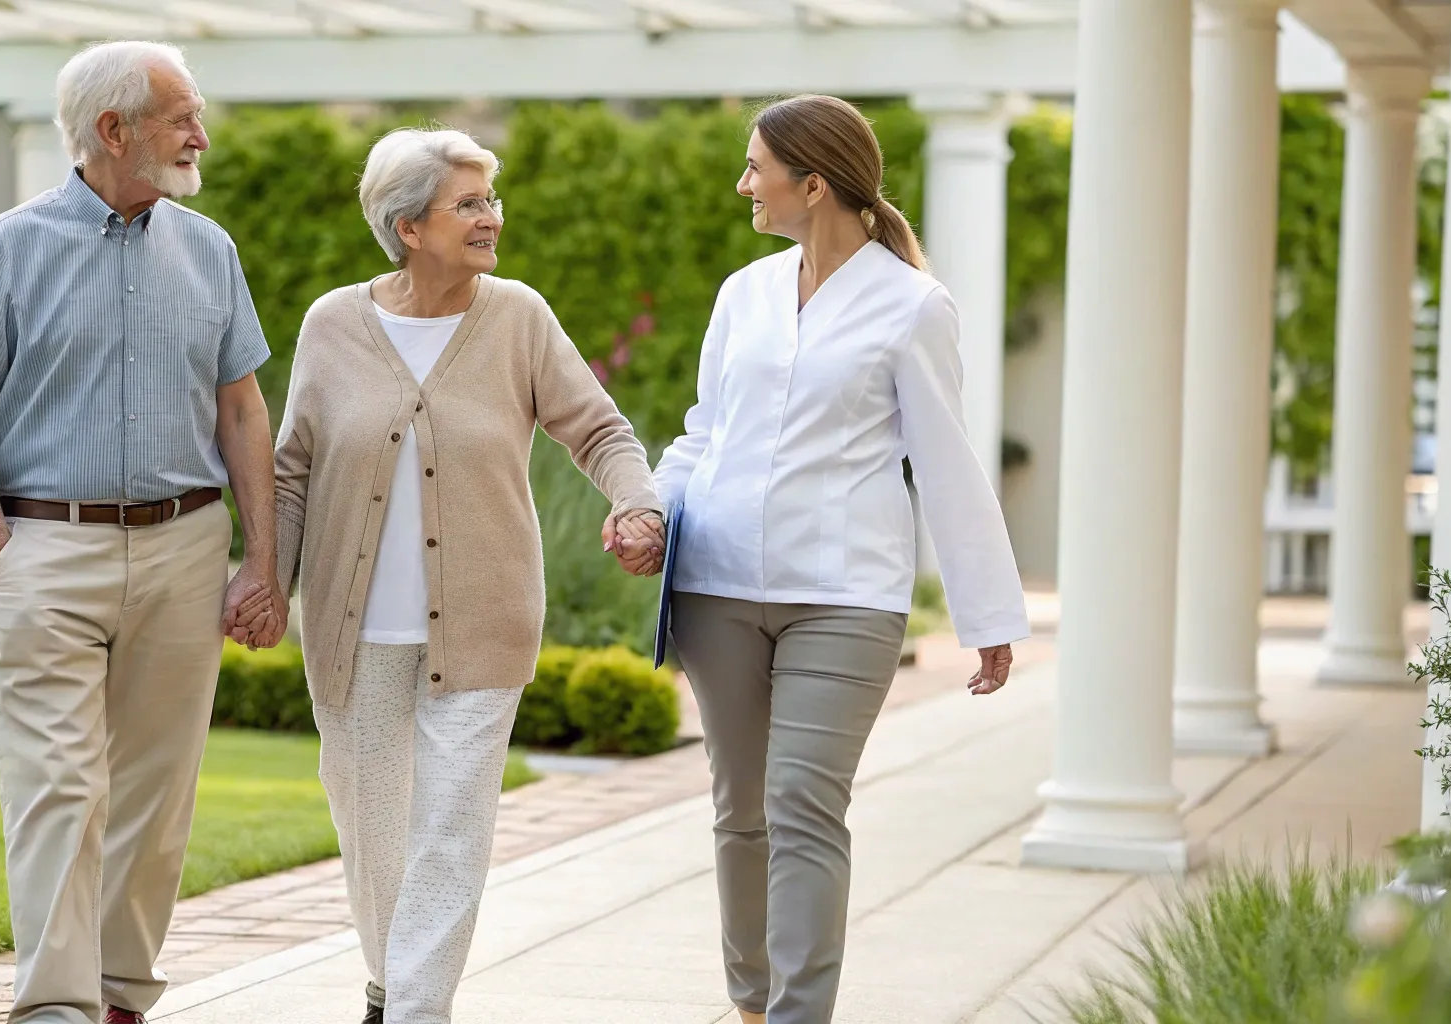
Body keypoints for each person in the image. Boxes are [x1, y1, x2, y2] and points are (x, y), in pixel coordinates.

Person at [0, 41, 283, 1024]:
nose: (200, 135)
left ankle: (119, 997)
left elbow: (242, 414)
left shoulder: (210, 250)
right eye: (181, 116)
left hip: (185, 544)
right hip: (48, 549)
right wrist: (4, 553)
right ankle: (56, 1008)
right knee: (58, 793)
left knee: (156, 799)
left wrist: (262, 559)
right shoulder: (5, 249)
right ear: (114, 130)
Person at [258, 126, 663, 1024]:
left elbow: (599, 429)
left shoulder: (517, 316)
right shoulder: (333, 324)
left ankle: (413, 1012)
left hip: (483, 623)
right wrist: (263, 581)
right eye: (470, 203)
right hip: (351, 630)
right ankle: (388, 984)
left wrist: (637, 502)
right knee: (373, 834)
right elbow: (291, 472)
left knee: (449, 833)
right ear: (408, 225)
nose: (492, 218)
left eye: (492, 200)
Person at [652, 95, 1030, 1024]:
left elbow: (947, 461)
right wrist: (651, 511)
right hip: (716, 586)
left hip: (845, 599)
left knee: (803, 805)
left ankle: (797, 1017)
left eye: (755, 168)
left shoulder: (912, 306)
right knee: (742, 811)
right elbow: (705, 434)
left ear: (810, 183)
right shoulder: (743, 293)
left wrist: (987, 617)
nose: (744, 184)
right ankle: (751, 1005)